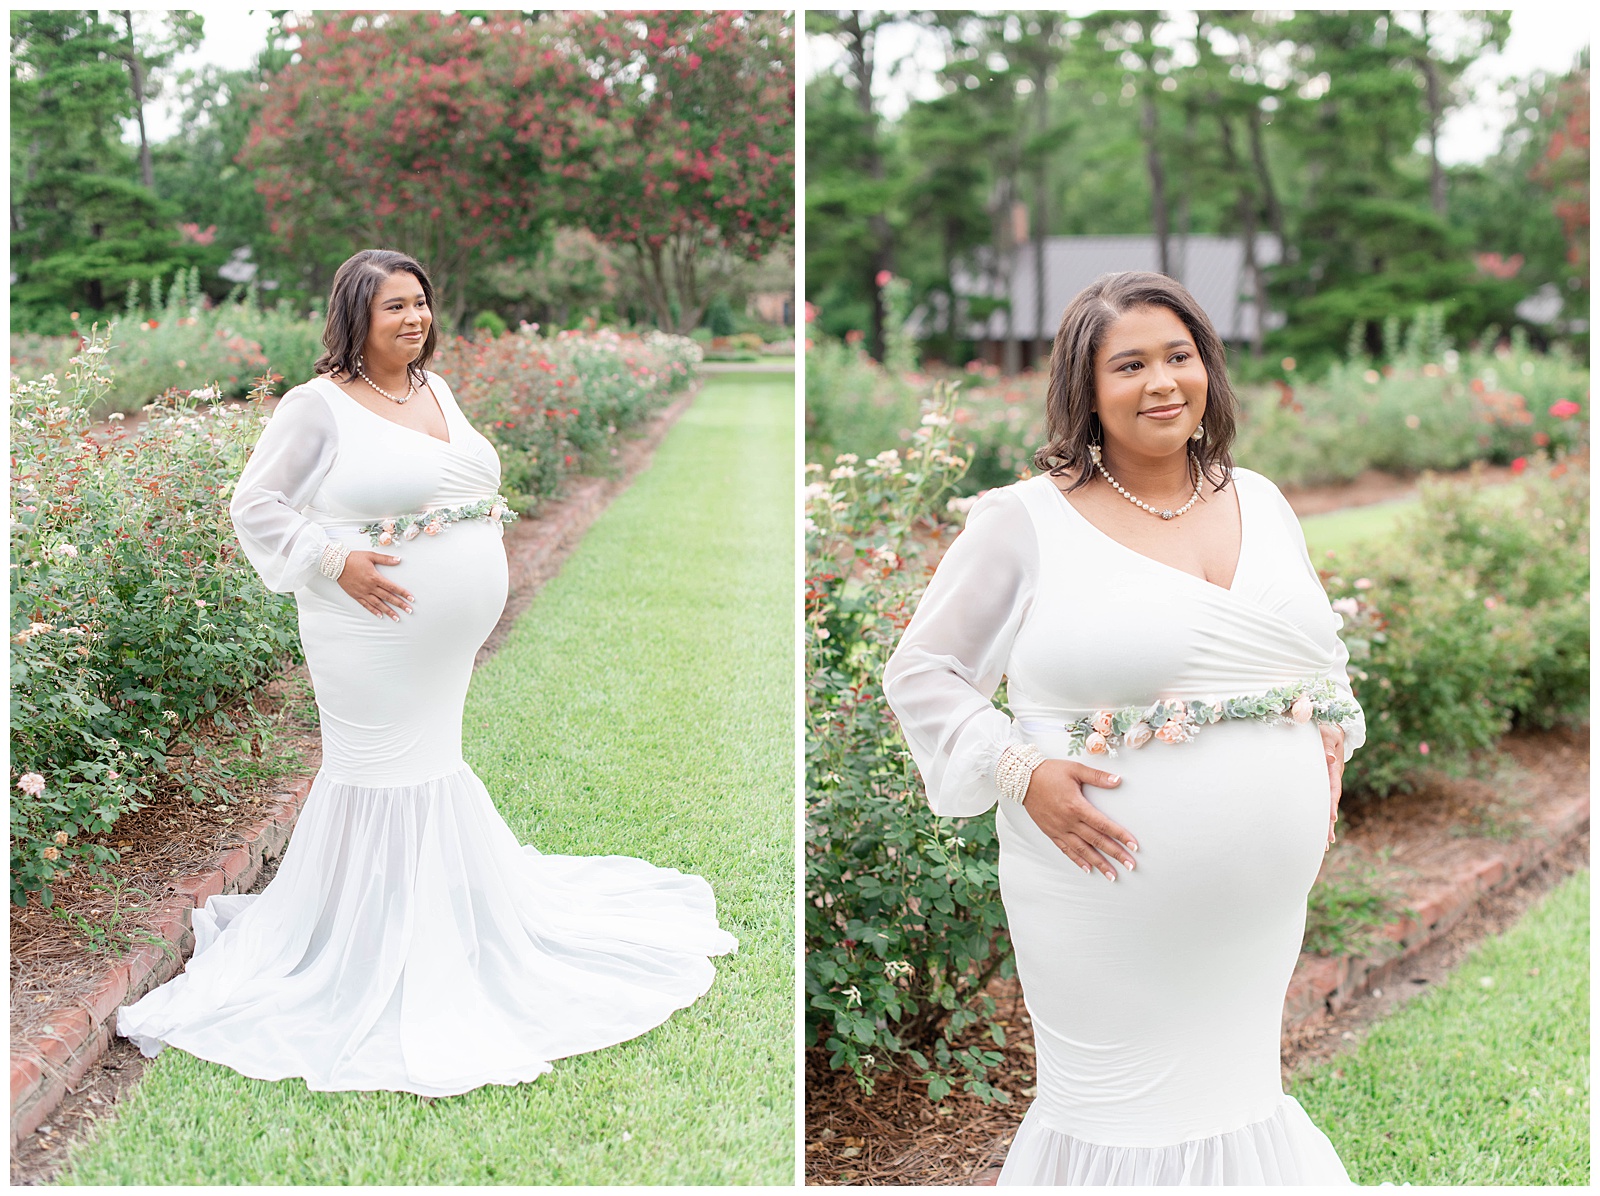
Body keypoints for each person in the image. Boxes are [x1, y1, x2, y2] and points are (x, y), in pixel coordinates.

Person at [117, 248, 737, 1096]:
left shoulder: (433, 390)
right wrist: (336, 559)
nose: (414, 320)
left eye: (421, 304)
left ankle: (437, 921)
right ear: (354, 319)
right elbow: (255, 505)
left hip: (440, 643)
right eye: (393, 309)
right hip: (363, 629)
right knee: (378, 770)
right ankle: (366, 945)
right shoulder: (316, 407)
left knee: (431, 765)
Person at [883, 271, 1364, 1185]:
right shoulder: (1023, 522)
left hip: (1258, 906)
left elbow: (1319, 654)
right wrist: (1019, 768)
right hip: (1099, 887)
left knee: (1238, 1094)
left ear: (1209, 370)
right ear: (1085, 390)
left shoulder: (1259, 499)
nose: (1162, 383)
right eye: (1130, 364)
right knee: (1118, 1114)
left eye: (1179, 357)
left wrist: (1332, 742)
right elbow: (922, 672)